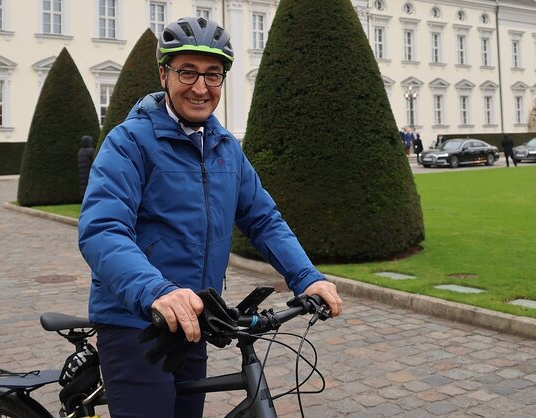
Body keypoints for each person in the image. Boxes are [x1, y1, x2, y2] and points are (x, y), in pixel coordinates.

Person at [77, 16, 343, 418]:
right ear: (164, 74)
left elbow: (264, 219)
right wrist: (156, 290)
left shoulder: (224, 147)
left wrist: (307, 277)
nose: (201, 87)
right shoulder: (129, 141)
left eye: (213, 75)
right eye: (188, 72)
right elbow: (102, 229)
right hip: (137, 324)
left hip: (194, 321)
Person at [77, 135, 95, 200]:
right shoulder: (91, 151)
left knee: (83, 187)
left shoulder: (80, 151)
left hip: (82, 172)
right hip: (89, 172)